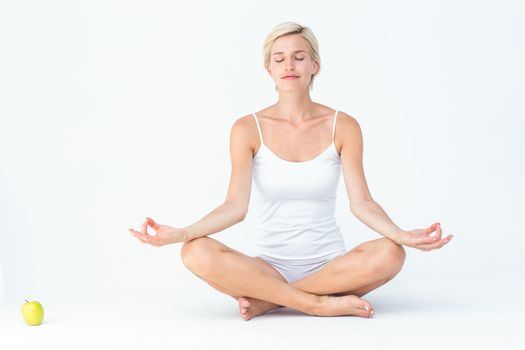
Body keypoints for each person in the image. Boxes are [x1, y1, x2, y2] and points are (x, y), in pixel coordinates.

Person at [128, 21, 454, 321]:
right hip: (267, 268)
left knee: (390, 254)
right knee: (195, 251)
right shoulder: (247, 128)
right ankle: (316, 303)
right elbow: (235, 206)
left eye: (299, 57)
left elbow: (362, 203)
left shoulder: (344, 125)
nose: (289, 65)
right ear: (268, 69)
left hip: (332, 266)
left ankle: (269, 301)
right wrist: (183, 232)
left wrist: (400, 234)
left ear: (315, 65)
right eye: (279, 58)